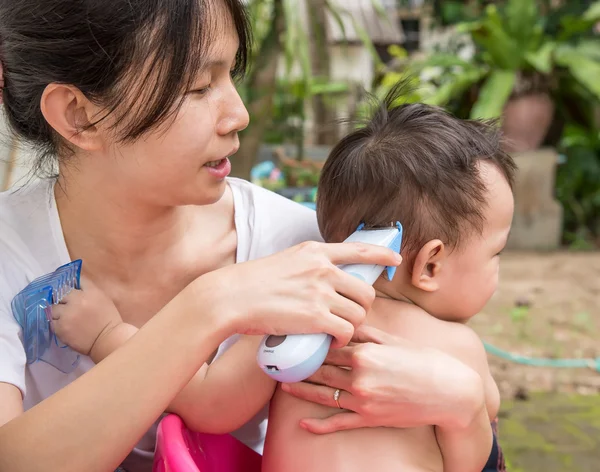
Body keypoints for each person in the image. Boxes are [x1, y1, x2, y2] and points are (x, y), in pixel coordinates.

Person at [0, 1, 494, 471]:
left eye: (230, 76)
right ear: (78, 114)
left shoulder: (307, 250)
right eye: (197, 86)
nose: (238, 114)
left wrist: (466, 408)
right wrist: (209, 305)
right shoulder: (9, 248)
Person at [262, 86, 515, 472]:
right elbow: (475, 463)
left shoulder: (292, 327)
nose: (498, 268)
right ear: (431, 265)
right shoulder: (458, 348)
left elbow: (215, 410)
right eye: (495, 254)